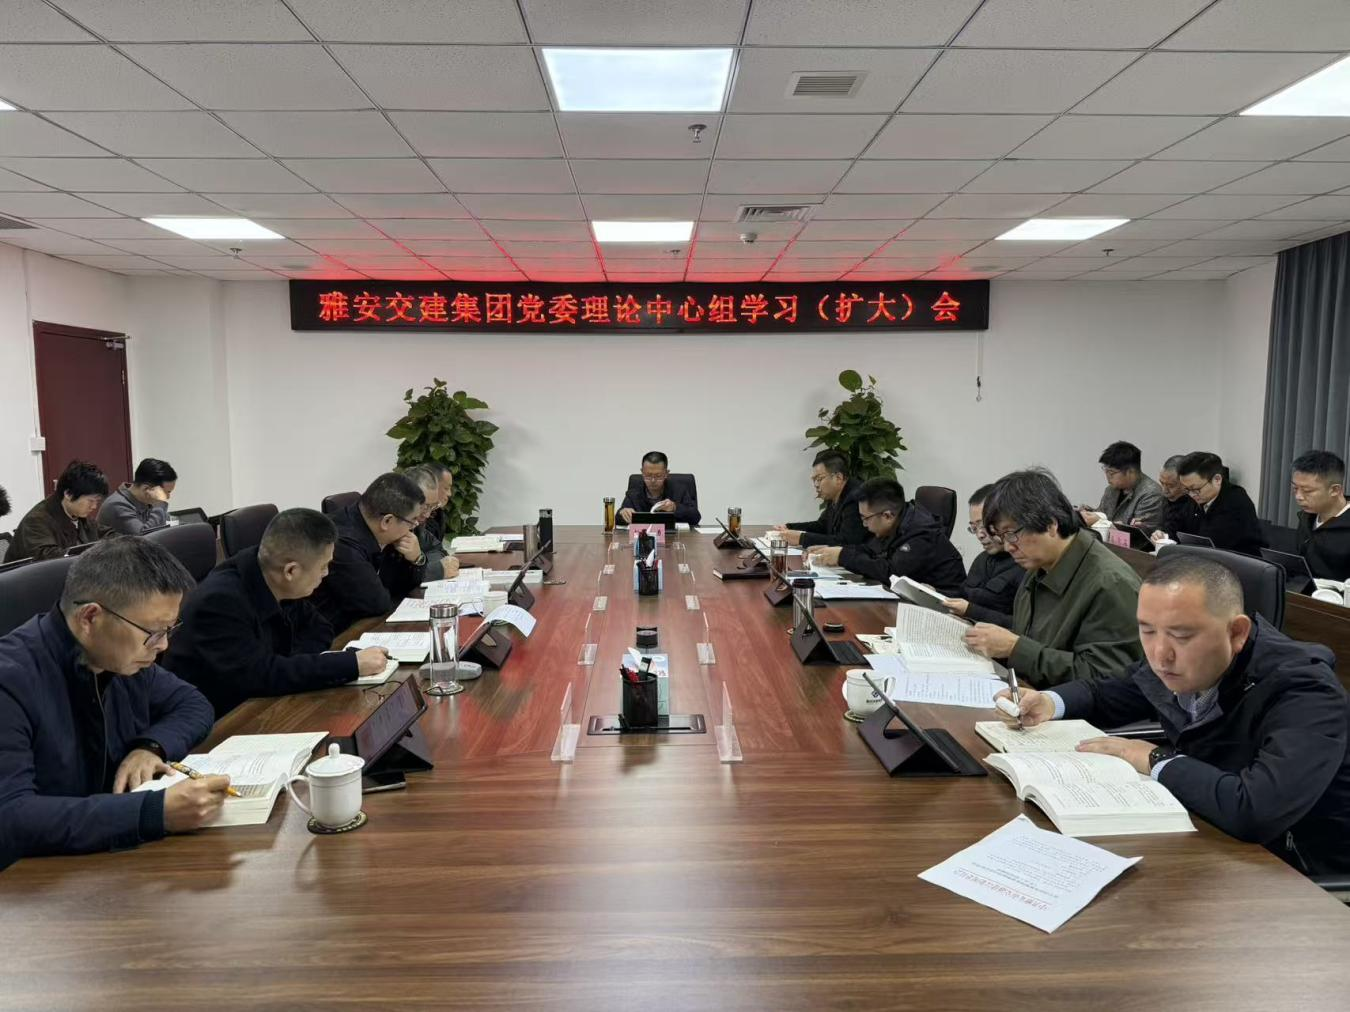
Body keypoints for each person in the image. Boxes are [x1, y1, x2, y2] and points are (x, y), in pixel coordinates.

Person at [997, 554, 1350, 877]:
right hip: (1212, 833)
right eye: (1147, 631)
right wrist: (1049, 702)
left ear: (1237, 632)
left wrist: (1153, 758)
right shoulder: (1182, 661)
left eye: (1181, 635)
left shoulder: (1305, 692)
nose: (1160, 654)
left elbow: (1256, 810)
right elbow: (1110, 691)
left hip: (1297, 872)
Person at [0, 537, 223, 870]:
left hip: (107, 859)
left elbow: (193, 704)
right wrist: (153, 812)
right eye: (153, 632)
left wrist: (150, 746)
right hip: (35, 882)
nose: (163, 646)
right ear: (90, 618)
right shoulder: (10, 681)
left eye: (169, 629)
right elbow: (11, 817)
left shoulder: (121, 659)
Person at [163, 508, 392, 718]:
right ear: (291, 571)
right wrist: (350, 664)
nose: (326, 574)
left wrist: (287, 666)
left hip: (260, 699)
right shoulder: (219, 602)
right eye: (323, 566)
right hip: (220, 720)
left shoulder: (274, 576)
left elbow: (320, 629)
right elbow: (257, 677)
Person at [964, 469, 1143, 688]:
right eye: (1002, 537)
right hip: (1027, 691)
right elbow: (1033, 639)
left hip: (1062, 705)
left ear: (1050, 524)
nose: (1008, 546)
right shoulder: (1038, 566)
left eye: (1012, 534)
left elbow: (1107, 680)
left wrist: (1015, 648)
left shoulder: (1110, 583)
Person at [310, 472, 427, 634]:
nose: (413, 527)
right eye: (412, 521)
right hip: (334, 635)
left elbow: (403, 587)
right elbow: (377, 604)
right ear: (387, 521)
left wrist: (416, 559)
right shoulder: (342, 543)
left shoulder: (371, 525)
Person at [805, 478, 965, 594]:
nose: (864, 525)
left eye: (865, 518)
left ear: (887, 516)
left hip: (944, 606)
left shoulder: (921, 533)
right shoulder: (898, 521)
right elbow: (871, 550)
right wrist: (835, 551)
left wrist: (843, 556)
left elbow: (891, 574)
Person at [941, 484, 1023, 628]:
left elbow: (1023, 626)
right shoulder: (982, 559)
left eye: (984, 525)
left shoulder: (1025, 563)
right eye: (974, 528)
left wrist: (971, 611)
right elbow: (964, 594)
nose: (980, 535)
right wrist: (934, 592)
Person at [1163, 451, 1262, 555]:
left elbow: (1211, 544)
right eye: (1187, 489)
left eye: (1195, 489)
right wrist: (1164, 536)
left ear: (1217, 479)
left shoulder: (1236, 502)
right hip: (1202, 558)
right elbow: (1177, 526)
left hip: (1239, 561)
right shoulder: (1197, 496)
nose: (1191, 495)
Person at [8, 460, 108, 561]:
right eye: (90, 501)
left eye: (97, 501)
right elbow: (49, 558)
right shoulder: (36, 521)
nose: (94, 506)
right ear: (68, 494)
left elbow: (105, 533)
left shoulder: (78, 515)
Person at [773, 450, 867, 548]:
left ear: (838, 478)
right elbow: (822, 526)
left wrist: (801, 538)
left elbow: (846, 542)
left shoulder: (855, 497)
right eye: (814, 480)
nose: (816, 485)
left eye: (819, 479)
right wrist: (789, 527)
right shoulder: (835, 494)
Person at [1291, 450, 1350, 581]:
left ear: (1335, 490)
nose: (1298, 497)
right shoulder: (1307, 517)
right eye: (1295, 488)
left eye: (1307, 491)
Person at [1079, 441, 1164, 530]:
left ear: (1130, 472)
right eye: (1105, 470)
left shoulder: (1151, 494)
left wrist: (1100, 522)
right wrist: (1089, 513)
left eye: (1111, 472)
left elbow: (1139, 533)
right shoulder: (1111, 490)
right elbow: (1103, 514)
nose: (1107, 476)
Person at [402, 464, 459, 582]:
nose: (427, 514)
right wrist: (437, 569)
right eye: (424, 507)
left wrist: (420, 558)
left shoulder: (415, 524)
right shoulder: (394, 526)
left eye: (431, 507)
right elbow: (393, 581)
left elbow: (437, 550)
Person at [97, 457, 177, 537]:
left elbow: (167, 528)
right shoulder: (117, 505)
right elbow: (146, 538)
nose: (167, 497)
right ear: (146, 489)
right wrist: (159, 506)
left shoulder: (146, 501)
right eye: (166, 492)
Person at [617, 451, 700, 526]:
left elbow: (695, 517)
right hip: (642, 536)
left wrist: (674, 507)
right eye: (648, 475)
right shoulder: (634, 492)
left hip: (672, 536)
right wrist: (623, 513)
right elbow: (618, 519)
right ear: (642, 472)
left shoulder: (679, 490)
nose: (653, 480)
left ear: (666, 473)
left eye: (658, 476)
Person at [1155, 453, 1201, 537]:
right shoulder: (1163, 499)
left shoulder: (1196, 505)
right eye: (1162, 483)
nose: (1164, 490)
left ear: (1186, 483)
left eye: (1171, 485)